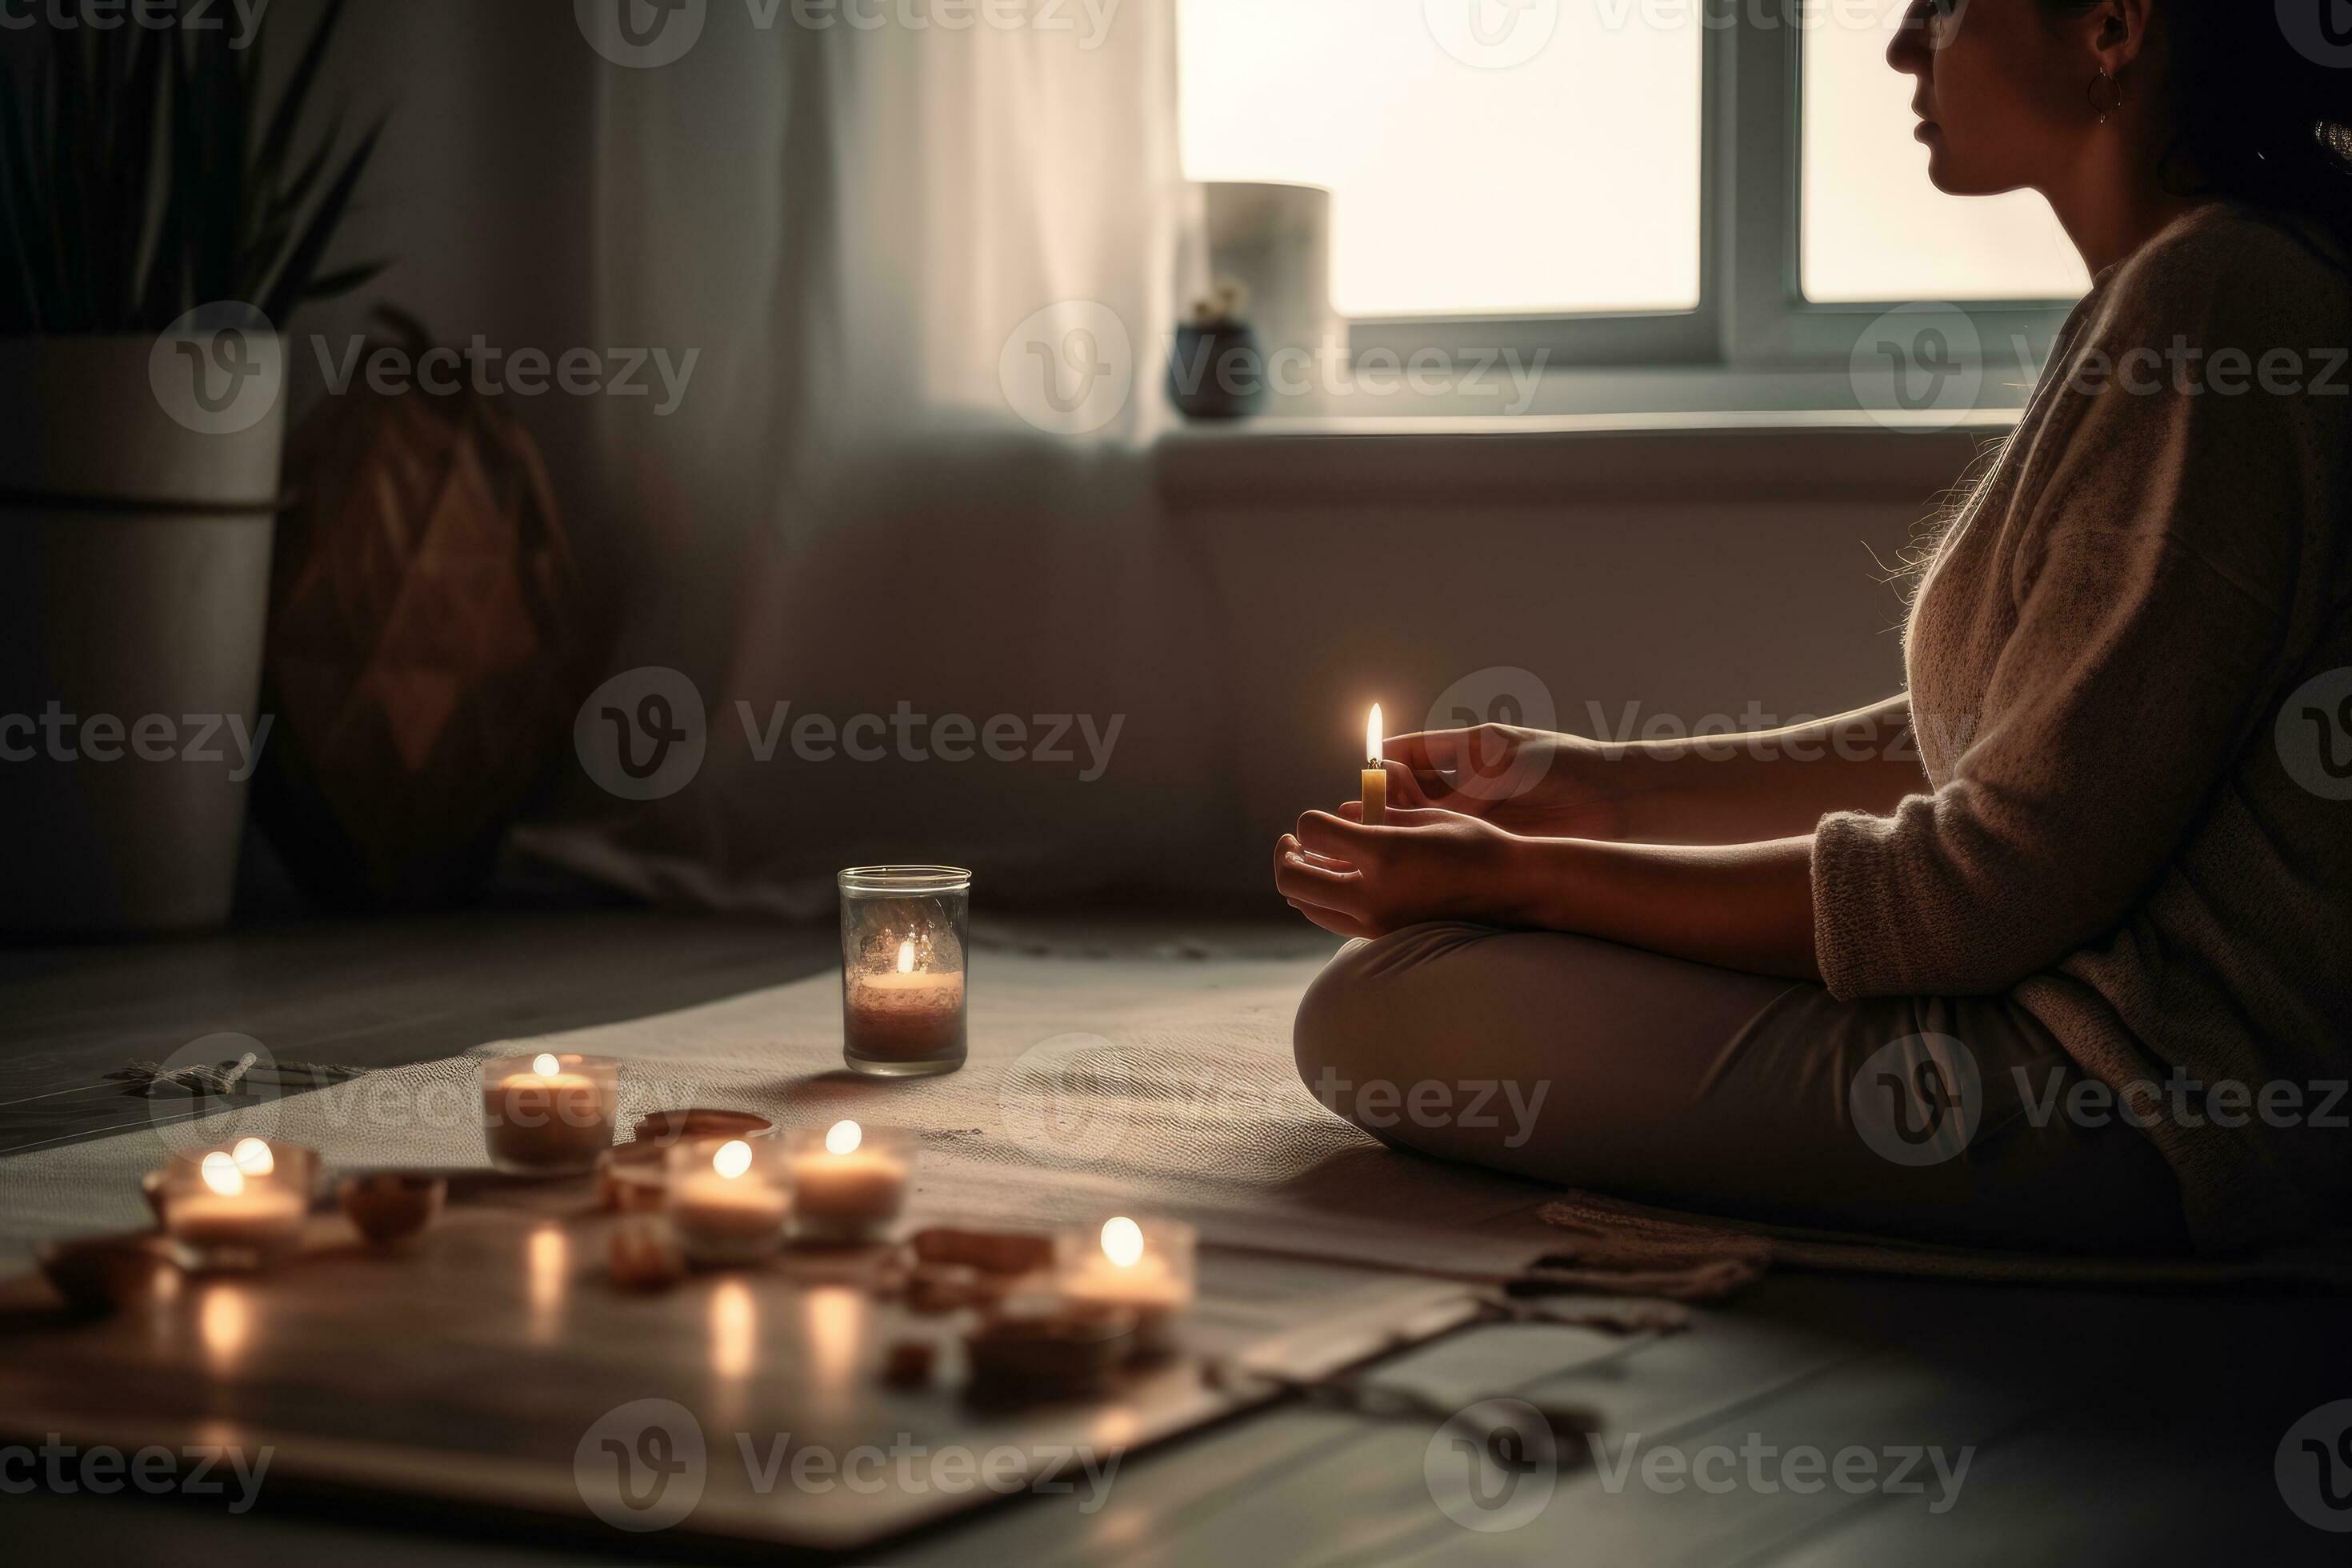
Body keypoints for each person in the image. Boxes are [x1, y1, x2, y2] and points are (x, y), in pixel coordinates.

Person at [1278, 0, 2352, 1255]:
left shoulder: (2215, 304)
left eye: (1944, 5)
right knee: (1438, 973)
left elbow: (1985, 889)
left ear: (2112, 27)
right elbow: (2023, 741)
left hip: (2152, 1093)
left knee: (1385, 1013)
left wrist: (1525, 878)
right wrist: (1593, 788)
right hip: (2110, 1032)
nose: (1901, 46)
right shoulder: (2197, 287)